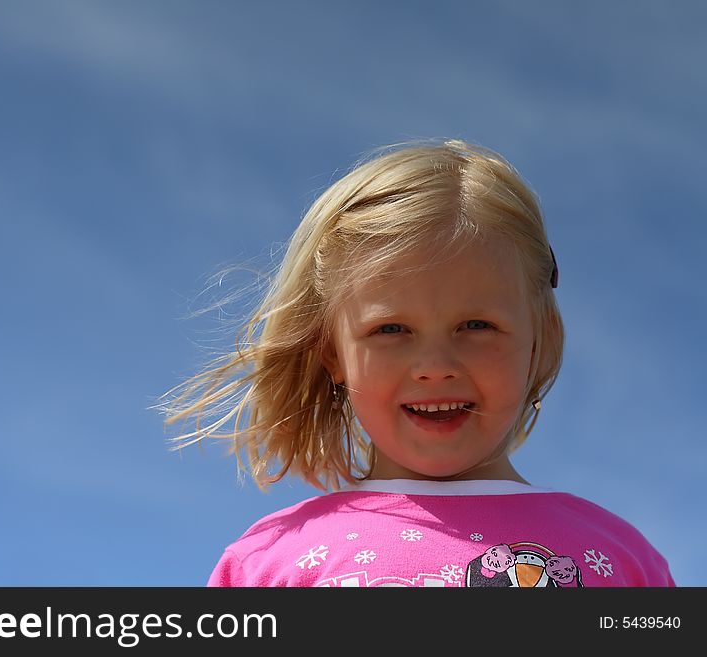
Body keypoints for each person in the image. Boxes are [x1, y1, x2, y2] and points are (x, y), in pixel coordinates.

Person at [155, 139, 674, 587]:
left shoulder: (621, 558)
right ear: (333, 353)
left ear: (540, 339)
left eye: (476, 326)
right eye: (390, 330)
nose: (434, 365)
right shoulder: (269, 562)